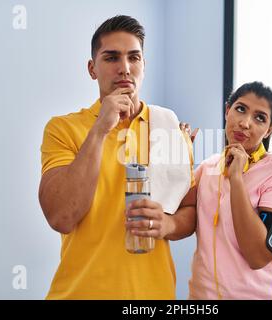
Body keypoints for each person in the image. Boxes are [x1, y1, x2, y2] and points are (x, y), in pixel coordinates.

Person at [39, 15, 197, 299]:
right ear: (92, 69)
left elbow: (189, 209)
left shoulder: (168, 126)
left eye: (134, 58)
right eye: (111, 58)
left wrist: (169, 224)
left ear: (144, 66)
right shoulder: (63, 129)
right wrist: (100, 129)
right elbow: (61, 216)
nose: (124, 68)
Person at [183, 81, 272, 299]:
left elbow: (258, 256)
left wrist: (236, 180)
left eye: (260, 118)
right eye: (240, 109)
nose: (245, 123)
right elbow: (177, 218)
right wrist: (182, 161)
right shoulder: (207, 168)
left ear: (270, 130)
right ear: (226, 111)